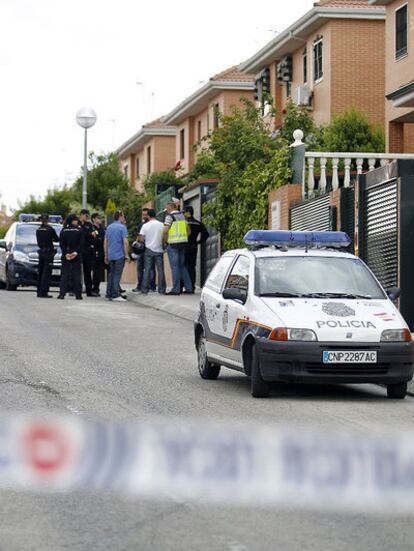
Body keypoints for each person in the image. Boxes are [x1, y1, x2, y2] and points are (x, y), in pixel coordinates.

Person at [163, 202, 193, 295]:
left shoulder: (169, 217)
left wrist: (166, 241)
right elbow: (189, 231)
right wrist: (183, 238)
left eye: (166, 210)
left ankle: (176, 289)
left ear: (169, 208)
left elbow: (165, 231)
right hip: (183, 244)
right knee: (182, 266)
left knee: (175, 267)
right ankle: (189, 288)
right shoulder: (183, 216)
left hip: (173, 245)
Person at [139, 209, 166, 295]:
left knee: (147, 269)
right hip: (159, 249)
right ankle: (162, 290)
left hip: (148, 249)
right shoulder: (162, 225)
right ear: (155, 215)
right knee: (160, 270)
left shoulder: (145, 226)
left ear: (148, 216)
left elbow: (141, 238)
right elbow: (165, 235)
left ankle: (144, 289)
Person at [104, 210, 129, 302]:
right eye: (123, 216)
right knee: (117, 275)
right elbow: (125, 242)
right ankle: (115, 294)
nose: (124, 217)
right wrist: (126, 254)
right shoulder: (122, 227)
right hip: (119, 255)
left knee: (111, 274)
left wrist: (106, 255)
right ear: (120, 216)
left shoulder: (109, 227)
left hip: (111, 254)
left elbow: (105, 242)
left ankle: (109, 293)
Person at [183, 205, 209, 291]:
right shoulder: (198, 223)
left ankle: (183, 286)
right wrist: (199, 242)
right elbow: (206, 234)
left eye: (184, 212)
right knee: (192, 267)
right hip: (194, 246)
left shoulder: (184, 223)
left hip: (184, 246)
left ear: (187, 212)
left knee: (183, 266)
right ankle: (191, 287)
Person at [58, 214, 83, 300]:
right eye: (76, 220)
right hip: (76, 254)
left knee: (65, 275)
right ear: (73, 221)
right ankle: (78, 295)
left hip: (66, 255)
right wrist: (75, 252)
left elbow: (61, 244)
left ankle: (62, 294)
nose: (77, 221)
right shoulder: (79, 230)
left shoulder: (63, 230)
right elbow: (81, 243)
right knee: (76, 274)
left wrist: (66, 253)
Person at [36, 213, 59, 298]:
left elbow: (39, 242)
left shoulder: (38, 229)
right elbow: (57, 239)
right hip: (48, 253)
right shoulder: (50, 229)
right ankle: (44, 292)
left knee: (41, 272)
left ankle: (39, 291)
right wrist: (51, 239)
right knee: (46, 273)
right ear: (48, 220)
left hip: (41, 252)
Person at [132, 208, 155, 293]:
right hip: (141, 249)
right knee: (140, 268)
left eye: (145, 214)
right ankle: (140, 285)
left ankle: (152, 286)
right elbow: (138, 237)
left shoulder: (151, 224)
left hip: (149, 248)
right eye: (143, 214)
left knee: (151, 268)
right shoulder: (140, 225)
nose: (144, 216)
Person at [79, 209, 98, 297]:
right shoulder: (77, 224)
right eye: (86, 216)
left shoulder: (89, 225)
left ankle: (89, 291)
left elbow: (92, 236)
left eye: (88, 216)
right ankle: (74, 289)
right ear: (81, 215)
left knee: (87, 271)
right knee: (77, 271)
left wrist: (92, 235)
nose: (87, 218)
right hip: (78, 250)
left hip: (87, 251)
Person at [91, 212, 105, 296]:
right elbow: (95, 240)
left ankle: (97, 288)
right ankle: (94, 289)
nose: (100, 220)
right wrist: (100, 240)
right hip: (96, 251)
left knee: (100, 271)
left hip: (102, 251)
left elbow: (103, 238)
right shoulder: (92, 228)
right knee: (96, 271)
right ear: (94, 219)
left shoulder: (101, 228)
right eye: (98, 218)